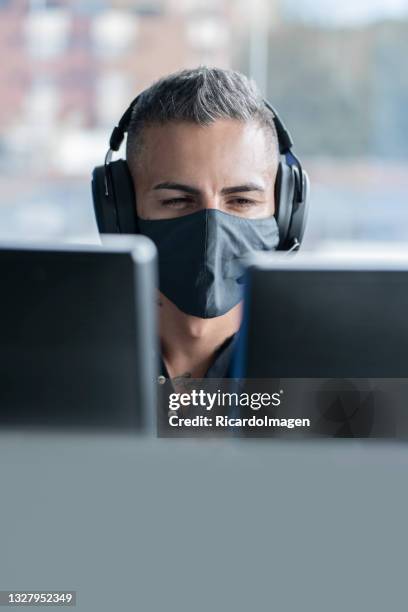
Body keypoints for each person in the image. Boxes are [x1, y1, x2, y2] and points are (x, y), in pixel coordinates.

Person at [123, 67, 282, 383]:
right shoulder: (49, 364)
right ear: (121, 211)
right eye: (177, 201)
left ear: (285, 211)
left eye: (241, 201)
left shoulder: (338, 369)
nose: (212, 234)